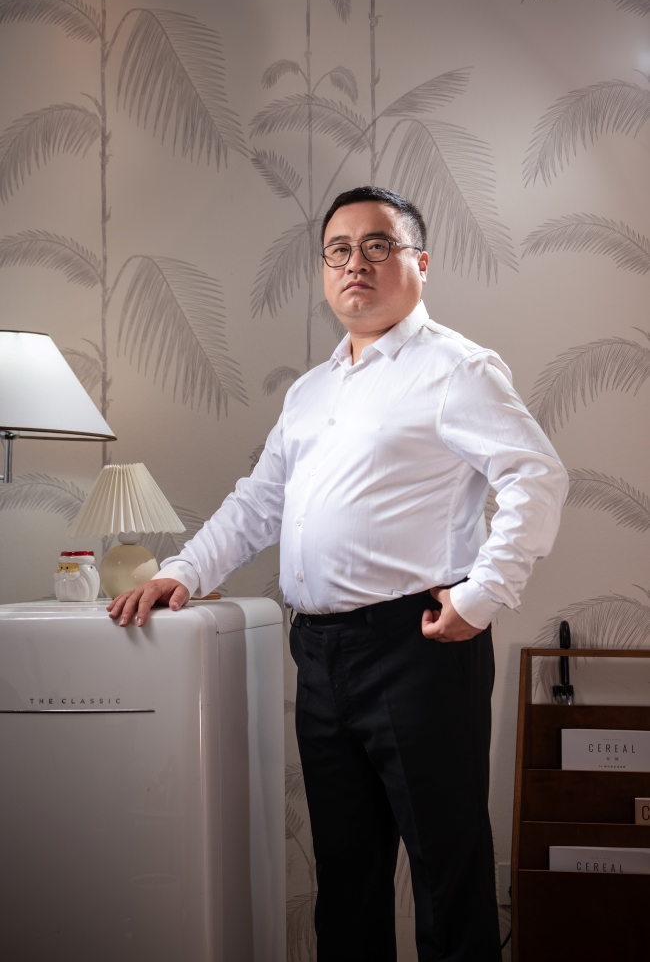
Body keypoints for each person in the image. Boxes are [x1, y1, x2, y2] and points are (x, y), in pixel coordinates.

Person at [108, 186, 568, 961]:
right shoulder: (311, 389)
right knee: (346, 881)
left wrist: (483, 595)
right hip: (320, 653)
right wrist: (183, 570)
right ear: (325, 270)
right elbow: (259, 502)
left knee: (446, 875)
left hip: (420, 646)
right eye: (340, 249)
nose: (357, 262)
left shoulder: (456, 368)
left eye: (378, 245)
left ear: (421, 263)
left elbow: (537, 476)